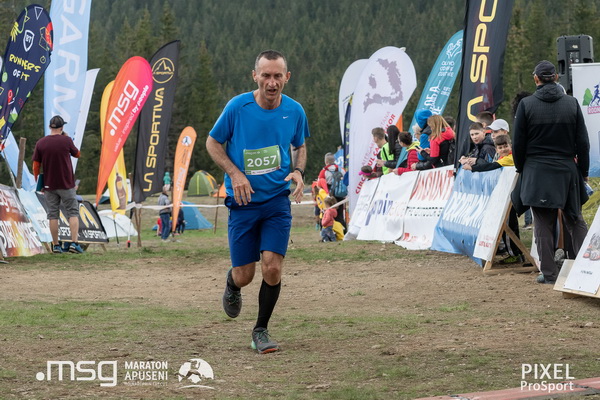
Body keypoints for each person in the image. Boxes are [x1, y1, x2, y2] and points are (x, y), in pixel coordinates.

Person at [206, 49, 308, 354]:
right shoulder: (238, 107)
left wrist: (299, 171)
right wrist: (235, 173)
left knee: (272, 268)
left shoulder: (295, 111)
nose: (272, 82)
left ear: (287, 77)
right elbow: (212, 142)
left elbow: (300, 145)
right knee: (245, 275)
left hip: (276, 201)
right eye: (266, 75)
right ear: (255, 76)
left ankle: (260, 330)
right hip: (242, 202)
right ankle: (232, 283)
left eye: (278, 76)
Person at [512, 60, 590, 284]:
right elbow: (583, 143)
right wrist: (583, 172)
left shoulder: (526, 105)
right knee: (575, 220)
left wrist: (522, 169)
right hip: (566, 169)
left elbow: (518, 144)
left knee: (543, 224)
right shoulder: (571, 103)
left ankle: (549, 274)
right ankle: (587, 270)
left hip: (537, 170)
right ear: (556, 78)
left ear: (536, 79)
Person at [464, 135, 523, 263]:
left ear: (510, 146)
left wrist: (472, 168)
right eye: (500, 147)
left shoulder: (509, 158)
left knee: (509, 225)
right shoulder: (502, 157)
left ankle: (515, 254)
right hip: (504, 197)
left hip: (509, 198)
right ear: (496, 149)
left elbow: (491, 166)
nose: (503, 149)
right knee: (508, 225)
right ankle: (515, 253)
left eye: (505, 146)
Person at [32, 116, 84, 254]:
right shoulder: (66, 140)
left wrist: (37, 179)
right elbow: (77, 154)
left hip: (49, 185)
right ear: (62, 127)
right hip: (66, 184)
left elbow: (36, 165)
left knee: (53, 215)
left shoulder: (41, 143)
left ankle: (56, 245)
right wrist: (66, 138)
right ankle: (74, 244)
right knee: (72, 213)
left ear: (50, 127)